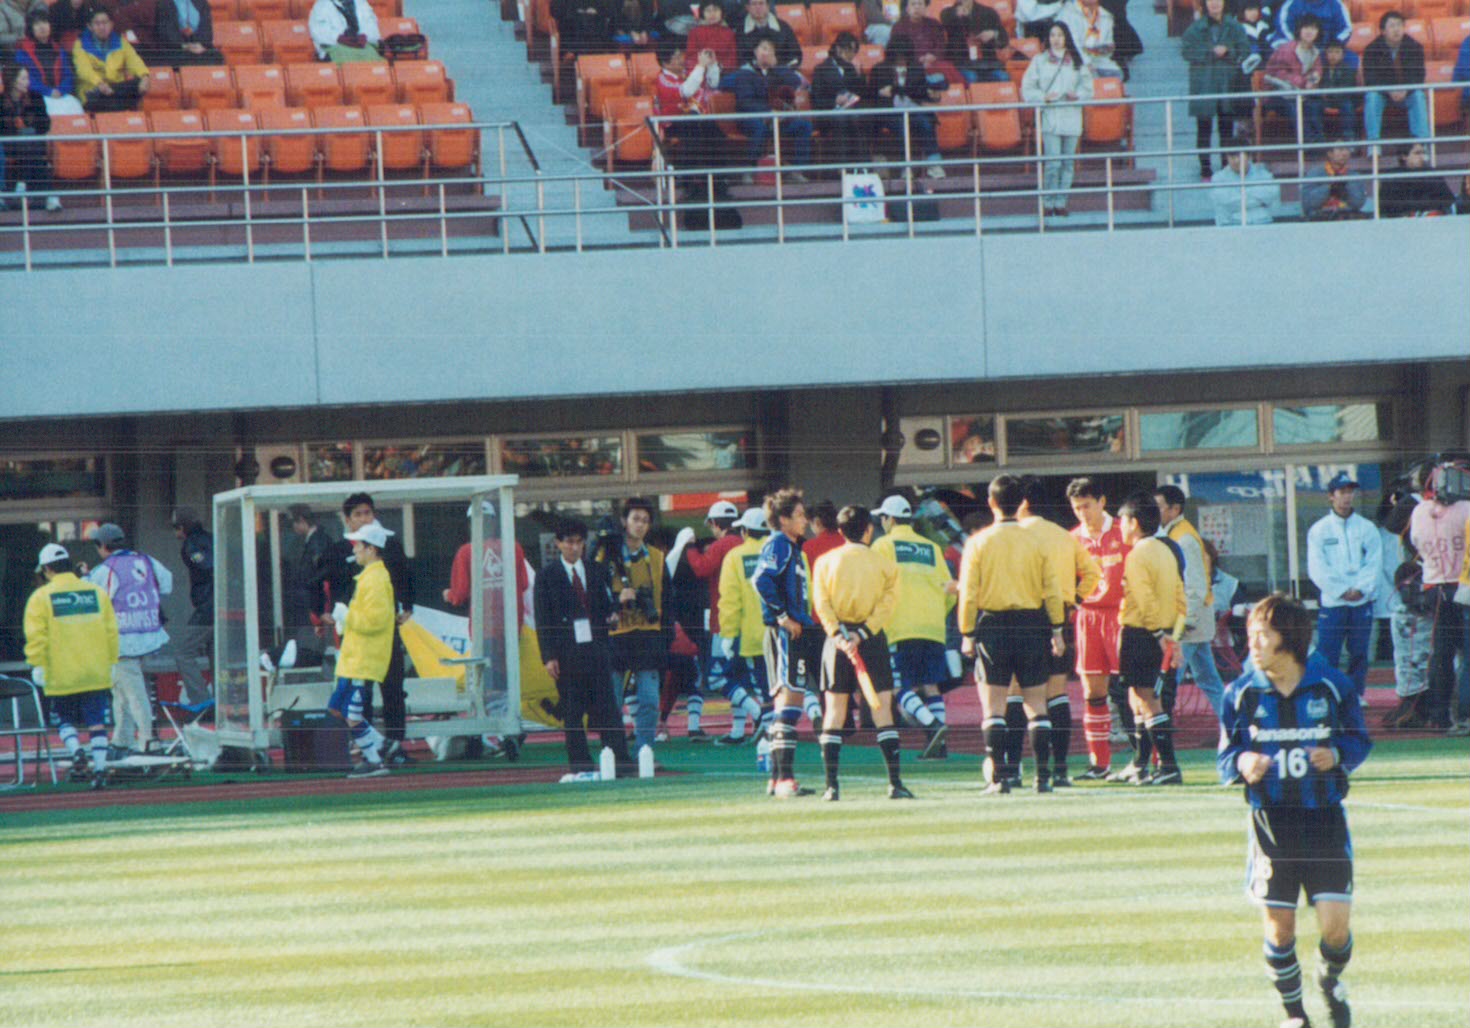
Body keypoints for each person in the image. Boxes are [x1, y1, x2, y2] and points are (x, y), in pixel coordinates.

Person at [1218, 593, 1370, 1028]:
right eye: (1250, 634)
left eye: (1262, 635)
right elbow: (1226, 757)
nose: (1252, 644)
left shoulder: (1331, 686)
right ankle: (1295, 1014)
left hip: (1324, 822)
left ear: (1289, 638)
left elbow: (1358, 740)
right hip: (1272, 825)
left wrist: (1336, 754)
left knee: (1335, 929)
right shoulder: (1240, 694)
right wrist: (1243, 763)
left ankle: (1329, 979)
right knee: (1279, 929)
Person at [957, 474, 1065, 795]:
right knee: (1036, 703)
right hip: (1032, 624)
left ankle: (1000, 778)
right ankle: (1042, 778)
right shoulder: (1037, 541)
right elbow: (1052, 590)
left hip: (993, 626)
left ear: (991, 502)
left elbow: (968, 594)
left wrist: (967, 633)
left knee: (994, 706)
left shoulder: (978, 543)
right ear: (1021, 503)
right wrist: (1057, 629)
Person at [812, 504, 914, 800]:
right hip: (872, 641)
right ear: (869, 530)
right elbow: (888, 603)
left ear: (840, 531)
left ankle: (831, 787)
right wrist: (864, 633)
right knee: (883, 710)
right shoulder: (884, 564)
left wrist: (838, 634)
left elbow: (821, 603)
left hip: (837, 642)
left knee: (834, 712)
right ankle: (895, 783)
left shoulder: (825, 562)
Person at [534, 519, 634, 777]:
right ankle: (581, 767)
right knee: (573, 713)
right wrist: (548, 656)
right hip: (566, 653)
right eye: (569, 542)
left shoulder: (597, 570)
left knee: (609, 709)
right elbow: (542, 619)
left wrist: (614, 612)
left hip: (597, 649)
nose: (575, 547)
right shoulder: (546, 576)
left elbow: (607, 604)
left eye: (579, 542)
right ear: (558, 544)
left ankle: (621, 763)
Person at [322, 492, 417, 765]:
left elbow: (403, 579)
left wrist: (406, 605)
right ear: (347, 519)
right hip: (356, 643)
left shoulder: (380, 566)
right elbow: (322, 581)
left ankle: (382, 751)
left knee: (388, 692)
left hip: (371, 643)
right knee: (347, 706)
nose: (365, 518)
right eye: (358, 514)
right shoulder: (347, 557)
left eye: (368, 512)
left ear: (370, 549)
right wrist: (329, 613)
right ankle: (376, 748)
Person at [1019, 478, 1100, 787]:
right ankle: (1061, 769)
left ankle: (1011, 770)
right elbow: (1093, 573)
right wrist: (1075, 599)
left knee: (1017, 694)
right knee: (1057, 694)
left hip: (1024, 616)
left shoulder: (1016, 534)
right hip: (1061, 617)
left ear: (1023, 503)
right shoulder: (1065, 536)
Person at [24, 542, 119, 789]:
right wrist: (112, 662)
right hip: (95, 672)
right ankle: (100, 770)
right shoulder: (96, 593)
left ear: (47, 569)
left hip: (61, 674)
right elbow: (111, 632)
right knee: (96, 722)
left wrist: (37, 664)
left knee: (64, 719)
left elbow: (36, 637)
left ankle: (76, 750)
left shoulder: (40, 598)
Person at [1107, 492, 1187, 786]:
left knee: (1149, 700)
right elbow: (1181, 596)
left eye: (1122, 521)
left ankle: (1168, 766)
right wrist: (1173, 636)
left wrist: (1157, 634)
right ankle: (1140, 764)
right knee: (1136, 699)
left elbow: (1143, 597)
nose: (1120, 527)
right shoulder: (1166, 549)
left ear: (1134, 522)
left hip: (1142, 633)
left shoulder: (1138, 554)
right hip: (1164, 631)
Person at [871, 494, 958, 758]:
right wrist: (936, 614)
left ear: (889, 519)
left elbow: (874, 587)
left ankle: (933, 725)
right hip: (933, 627)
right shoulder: (931, 548)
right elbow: (950, 591)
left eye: (882, 518)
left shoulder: (882, 546)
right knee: (931, 685)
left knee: (899, 687)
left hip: (899, 627)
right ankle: (939, 746)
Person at [751, 487, 820, 797]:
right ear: (783, 519)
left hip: (795, 631)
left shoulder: (793, 548)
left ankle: (776, 779)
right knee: (789, 701)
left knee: (789, 701)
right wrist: (782, 616)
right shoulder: (778, 543)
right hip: (784, 633)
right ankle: (784, 780)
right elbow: (761, 579)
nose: (805, 520)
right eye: (800, 515)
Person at [85, 523, 172, 757]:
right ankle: (122, 739)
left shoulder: (106, 568)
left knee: (133, 691)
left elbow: (90, 597)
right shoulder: (146, 560)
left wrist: (84, 576)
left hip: (122, 640)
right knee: (121, 689)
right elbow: (167, 583)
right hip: (149, 633)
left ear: (103, 546)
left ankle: (149, 740)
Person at [596, 496, 672, 753]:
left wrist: (666, 639)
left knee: (650, 699)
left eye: (645, 521)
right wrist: (617, 599)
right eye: (635, 519)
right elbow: (595, 596)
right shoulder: (605, 557)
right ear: (624, 521)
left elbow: (668, 602)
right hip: (616, 635)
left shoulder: (657, 558)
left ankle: (644, 752)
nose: (640, 525)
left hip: (648, 636)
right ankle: (616, 753)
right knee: (613, 701)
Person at [1067, 477, 1130, 780]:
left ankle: (1147, 759)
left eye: (1087, 506)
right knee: (1093, 692)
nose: (1083, 513)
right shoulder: (1072, 539)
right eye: (1077, 508)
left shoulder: (1124, 531)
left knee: (1133, 690)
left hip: (1121, 615)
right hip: (1088, 617)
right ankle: (1099, 763)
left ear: (1102, 502)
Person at [327, 521, 397, 778]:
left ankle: (374, 759)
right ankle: (382, 745)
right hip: (354, 657)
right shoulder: (369, 577)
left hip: (364, 658)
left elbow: (375, 621)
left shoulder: (377, 580)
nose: (354, 548)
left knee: (351, 713)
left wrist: (347, 616)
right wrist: (345, 621)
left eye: (358, 544)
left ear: (371, 549)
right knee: (338, 708)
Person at [1306, 472, 1382, 697]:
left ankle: (1356, 695)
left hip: (1361, 602)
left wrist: (1361, 589)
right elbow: (1317, 567)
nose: (1347, 497)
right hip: (1333, 603)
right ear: (1331, 496)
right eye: (1342, 492)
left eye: (1350, 492)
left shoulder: (1367, 527)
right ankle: (1328, 695)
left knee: (1359, 653)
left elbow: (1374, 561)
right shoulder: (1319, 530)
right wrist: (1341, 591)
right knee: (1328, 653)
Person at [1155, 484, 1228, 716]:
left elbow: (1194, 584)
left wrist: (1186, 620)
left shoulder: (1184, 538)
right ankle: (1232, 722)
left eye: (1159, 506)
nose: (1154, 511)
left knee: (1170, 676)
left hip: (1188, 621)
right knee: (1208, 679)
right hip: (1194, 618)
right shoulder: (1175, 533)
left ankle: (1161, 726)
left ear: (1175, 509)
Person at [681, 500, 748, 742]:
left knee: (717, 677)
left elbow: (701, 568)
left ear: (715, 523)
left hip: (725, 620)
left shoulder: (722, 545)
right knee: (740, 678)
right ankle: (739, 729)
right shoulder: (744, 544)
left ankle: (758, 714)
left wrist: (690, 547)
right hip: (749, 621)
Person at [1408, 474, 1470, 730]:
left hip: (1435, 587)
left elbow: (1413, 542)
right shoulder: (1465, 508)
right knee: (1464, 656)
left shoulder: (1420, 511)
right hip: (1462, 587)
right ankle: (1464, 714)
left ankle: (1439, 715)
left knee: (1441, 656)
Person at [716, 506, 776, 746]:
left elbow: (730, 601)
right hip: (783, 632)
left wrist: (728, 634)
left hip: (752, 637)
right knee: (779, 685)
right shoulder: (781, 551)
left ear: (744, 531)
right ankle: (777, 728)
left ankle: (770, 731)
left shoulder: (735, 557)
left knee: (761, 686)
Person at [1020, 21, 1092, 216]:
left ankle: (1061, 202)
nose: (1056, 39)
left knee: (1068, 164)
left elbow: (1088, 88)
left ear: (1066, 37)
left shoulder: (1077, 60)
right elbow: (1027, 88)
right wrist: (1043, 97)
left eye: (1060, 35)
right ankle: (1047, 202)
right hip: (1051, 117)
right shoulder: (1039, 60)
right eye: (1053, 35)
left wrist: (1078, 95)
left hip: (1072, 117)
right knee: (1053, 163)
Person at [1183, 0, 1251, 179]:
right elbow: (1186, 52)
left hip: (1227, 83)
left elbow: (1245, 49)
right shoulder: (1195, 28)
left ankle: (1226, 166)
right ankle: (1205, 167)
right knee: (1203, 129)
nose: (1214, 4)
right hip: (1204, 83)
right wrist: (1210, 52)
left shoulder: (1234, 26)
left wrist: (1228, 51)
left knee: (1226, 128)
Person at [729, 36, 812, 183]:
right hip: (751, 118)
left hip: (776, 119)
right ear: (755, 51)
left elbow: (796, 81)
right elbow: (745, 102)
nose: (766, 53)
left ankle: (797, 170)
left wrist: (777, 67)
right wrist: (767, 112)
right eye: (763, 48)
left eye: (770, 50)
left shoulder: (777, 72)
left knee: (803, 126)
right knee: (759, 128)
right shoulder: (745, 72)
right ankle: (749, 170)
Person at [867, 35, 947, 178]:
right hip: (889, 113)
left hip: (912, 110)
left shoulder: (916, 69)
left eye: (904, 57)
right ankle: (906, 166)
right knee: (901, 126)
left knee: (926, 122)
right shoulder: (880, 69)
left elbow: (920, 92)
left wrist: (933, 95)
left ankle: (934, 164)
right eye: (898, 57)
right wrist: (883, 92)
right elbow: (871, 94)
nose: (902, 60)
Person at [652, 41, 725, 177]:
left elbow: (713, 84)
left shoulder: (687, 73)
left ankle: (718, 179)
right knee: (695, 128)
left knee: (716, 133)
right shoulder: (662, 80)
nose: (682, 60)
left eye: (681, 55)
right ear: (665, 63)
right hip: (673, 125)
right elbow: (686, 91)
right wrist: (701, 65)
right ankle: (692, 181)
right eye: (677, 57)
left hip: (695, 121)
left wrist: (712, 64)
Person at [1361, 10, 1428, 143]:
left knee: (1418, 96)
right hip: (1383, 93)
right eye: (1392, 26)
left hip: (1407, 93)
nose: (1396, 29)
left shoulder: (1415, 47)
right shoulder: (1371, 50)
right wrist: (1389, 90)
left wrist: (1406, 89)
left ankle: (1421, 144)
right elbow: (1370, 78)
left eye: (1399, 25)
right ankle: (1373, 145)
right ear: (1383, 31)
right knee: (1372, 97)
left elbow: (1419, 75)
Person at [1, 62, 59, 212]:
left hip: (32, 143)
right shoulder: (1, 101)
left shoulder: (35, 98)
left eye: (27, 78)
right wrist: (15, 127)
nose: (27, 82)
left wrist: (28, 125)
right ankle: (49, 196)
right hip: (9, 145)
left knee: (29, 139)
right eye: (23, 78)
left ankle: (22, 183)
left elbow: (45, 125)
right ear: (12, 80)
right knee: (30, 145)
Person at [169, 506, 213, 705]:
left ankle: (200, 699)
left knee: (183, 652)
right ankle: (221, 698)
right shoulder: (211, 538)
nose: (175, 532)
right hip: (222, 605)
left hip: (207, 607)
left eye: (175, 527)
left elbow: (207, 565)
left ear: (182, 527)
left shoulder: (191, 544)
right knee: (215, 653)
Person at [72, 6, 151, 113]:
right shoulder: (80, 44)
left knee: (138, 84)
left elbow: (134, 60)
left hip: (115, 89)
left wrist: (144, 76)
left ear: (111, 24)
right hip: (93, 91)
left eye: (105, 23)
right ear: (90, 26)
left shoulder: (120, 42)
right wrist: (99, 83)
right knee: (112, 102)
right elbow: (83, 70)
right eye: (97, 23)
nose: (102, 27)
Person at [1263, 14, 1326, 143]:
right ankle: (1307, 142)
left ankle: (1319, 141)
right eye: (1306, 27)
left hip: (1301, 94)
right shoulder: (1287, 49)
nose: (1309, 32)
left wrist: (1312, 81)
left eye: (1313, 28)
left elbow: (1317, 71)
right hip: (1278, 94)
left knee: (1315, 104)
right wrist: (1302, 81)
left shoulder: (1315, 52)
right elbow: (1277, 73)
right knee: (1295, 106)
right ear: (1299, 30)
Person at [810, 36, 867, 168]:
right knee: (842, 120)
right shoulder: (821, 69)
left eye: (854, 51)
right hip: (829, 114)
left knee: (860, 118)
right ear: (838, 49)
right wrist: (834, 101)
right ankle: (843, 168)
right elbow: (816, 101)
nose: (851, 55)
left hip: (851, 112)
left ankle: (862, 167)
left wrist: (860, 75)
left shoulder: (851, 69)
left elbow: (863, 93)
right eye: (848, 50)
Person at [14, 8, 78, 114]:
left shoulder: (59, 50)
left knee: (75, 108)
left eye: (45, 22)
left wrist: (60, 91)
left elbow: (68, 76)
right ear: (30, 28)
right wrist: (49, 92)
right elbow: (27, 80)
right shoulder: (23, 52)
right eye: (37, 24)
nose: (42, 27)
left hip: (61, 95)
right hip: (36, 98)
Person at [1210, 136, 1277, 225]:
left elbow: (1269, 198)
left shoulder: (1264, 175)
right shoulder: (1218, 178)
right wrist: (1257, 201)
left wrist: (1240, 194)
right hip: (1230, 226)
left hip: (1261, 224)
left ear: (1249, 157)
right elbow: (1228, 204)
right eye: (1232, 157)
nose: (1236, 161)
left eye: (1239, 156)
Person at [1379, 140, 1455, 217]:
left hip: (1430, 219)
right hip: (1402, 220)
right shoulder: (1392, 176)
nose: (1422, 157)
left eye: (1423, 153)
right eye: (1417, 153)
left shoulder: (1431, 173)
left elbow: (1448, 199)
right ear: (1404, 156)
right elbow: (1386, 205)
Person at [940, 0, 1010, 83]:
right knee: (972, 77)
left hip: (987, 64)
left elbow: (1004, 38)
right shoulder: (948, 13)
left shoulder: (988, 12)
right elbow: (945, 21)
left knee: (1003, 76)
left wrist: (993, 34)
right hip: (963, 64)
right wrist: (957, 13)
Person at [1301, 138, 1368, 219]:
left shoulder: (1354, 175)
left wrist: (1346, 188)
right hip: (1321, 218)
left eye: (1347, 149)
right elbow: (1307, 204)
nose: (1345, 153)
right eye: (1340, 149)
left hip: (1346, 218)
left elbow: (1358, 204)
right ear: (1330, 154)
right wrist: (1329, 188)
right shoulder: (1314, 174)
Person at [1056, 0, 1123, 78]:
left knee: (1116, 74)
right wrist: (1087, 62)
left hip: (1097, 61)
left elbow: (1107, 47)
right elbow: (1073, 45)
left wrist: (1105, 49)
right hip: (1072, 62)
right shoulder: (1068, 13)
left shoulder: (1106, 16)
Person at [150, 0, 224, 67]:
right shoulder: (164, 3)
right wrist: (186, 46)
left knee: (216, 56)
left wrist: (198, 44)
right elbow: (166, 33)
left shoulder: (201, 2)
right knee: (184, 58)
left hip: (198, 46)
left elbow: (207, 32)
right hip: (176, 48)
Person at [308, 0, 381, 63]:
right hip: (336, 46)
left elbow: (371, 24)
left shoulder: (361, 2)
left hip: (362, 45)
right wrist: (340, 38)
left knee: (376, 63)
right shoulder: (322, 4)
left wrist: (364, 36)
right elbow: (318, 31)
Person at [734, 0, 800, 67]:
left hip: (782, 69)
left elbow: (795, 54)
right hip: (753, 72)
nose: (758, 7)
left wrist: (777, 63)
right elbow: (741, 58)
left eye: (761, 3)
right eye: (754, 4)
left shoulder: (783, 27)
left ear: (768, 6)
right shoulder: (741, 31)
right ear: (748, 7)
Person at [1318, 38, 1359, 139]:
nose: (1333, 55)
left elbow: (1346, 89)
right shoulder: (1321, 69)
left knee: (1347, 105)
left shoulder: (1348, 70)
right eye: (1330, 52)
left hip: (1342, 99)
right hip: (1325, 100)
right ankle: (1318, 138)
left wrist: (1328, 93)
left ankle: (1349, 137)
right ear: (1326, 54)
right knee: (1312, 105)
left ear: (1343, 55)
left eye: (1337, 52)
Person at [888, 0, 947, 67]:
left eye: (920, 4)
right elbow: (895, 50)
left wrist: (933, 56)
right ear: (907, 8)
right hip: (908, 66)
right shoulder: (898, 27)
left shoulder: (935, 25)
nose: (917, 7)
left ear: (926, 7)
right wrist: (917, 60)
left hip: (933, 63)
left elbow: (941, 46)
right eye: (913, 4)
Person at [1270, 0, 1351, 47]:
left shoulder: (1335, 4)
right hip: (1296, 45)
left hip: (1325, 49)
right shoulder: (1293, 3)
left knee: (1350, 59)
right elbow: (1283, 26)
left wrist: (1332, 45)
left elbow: (1345, 29)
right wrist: (1297, 46)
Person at [686, 1, 737, 71]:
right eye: (708, 11)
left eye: (715, 10)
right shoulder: (694, 32)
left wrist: (718, 66)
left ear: (721, 12)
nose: (712, 14)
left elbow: (732, 60)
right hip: (700, 70)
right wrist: (703, 65)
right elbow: (690, 57)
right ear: (703, 13)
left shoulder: (729, 33)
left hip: (722, 72)